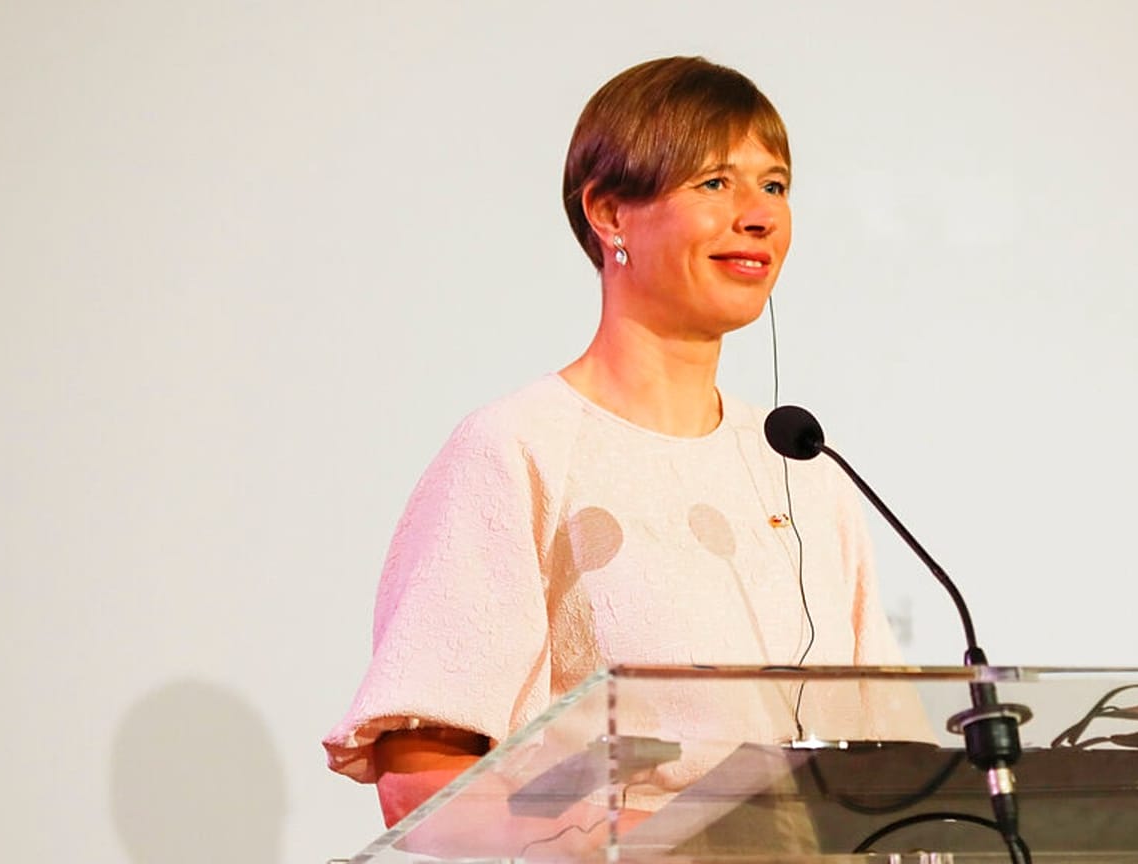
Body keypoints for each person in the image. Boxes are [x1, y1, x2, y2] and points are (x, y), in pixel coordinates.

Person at [322, 56, 911, 831]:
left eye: (774, 185)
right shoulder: (518, 450)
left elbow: (901, 767)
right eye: (714, 183)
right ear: (609, 213)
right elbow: (420, 782)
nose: (760, 214)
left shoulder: (802, 471)